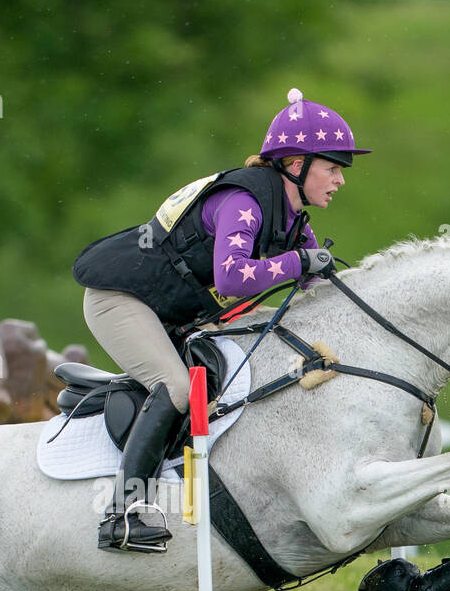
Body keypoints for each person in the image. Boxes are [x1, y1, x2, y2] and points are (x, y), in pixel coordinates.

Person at [73, 88, 370, 553]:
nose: (340, 180)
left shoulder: (293, 220)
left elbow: (325, 290)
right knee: (176, 389)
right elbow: (233, 278)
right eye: (332, 168)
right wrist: (300, 263)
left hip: (172, 313)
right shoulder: (244, 200)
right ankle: (122, 515)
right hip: (121, 299)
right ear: (296, 164)